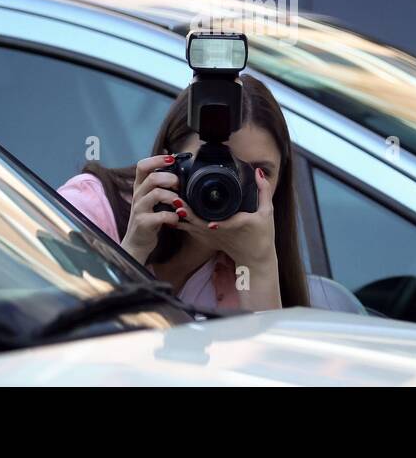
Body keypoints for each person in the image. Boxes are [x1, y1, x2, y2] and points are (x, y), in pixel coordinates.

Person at [57, 75, 308, 311]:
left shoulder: (247, 268)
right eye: (212, 164)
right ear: (170, 160)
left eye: (258, 172)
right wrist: (133, 250)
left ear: (279, 182)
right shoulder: (90, 212)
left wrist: (258, 264)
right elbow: (55, 345)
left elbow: (266, 356)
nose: (228, 185)